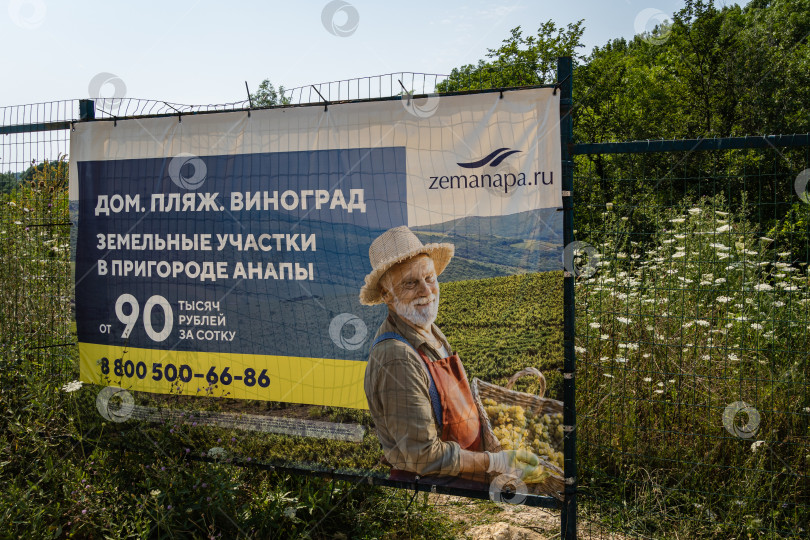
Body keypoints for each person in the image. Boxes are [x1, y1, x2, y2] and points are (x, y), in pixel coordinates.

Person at [360, 226, 541, 487]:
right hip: (431, 493)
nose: (426, 291)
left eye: (430, 278)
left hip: (462, 479)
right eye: (410, 283)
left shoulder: (430, 331)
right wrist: (495, 462)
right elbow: (423, 457)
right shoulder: (397, 359)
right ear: (387, 295)